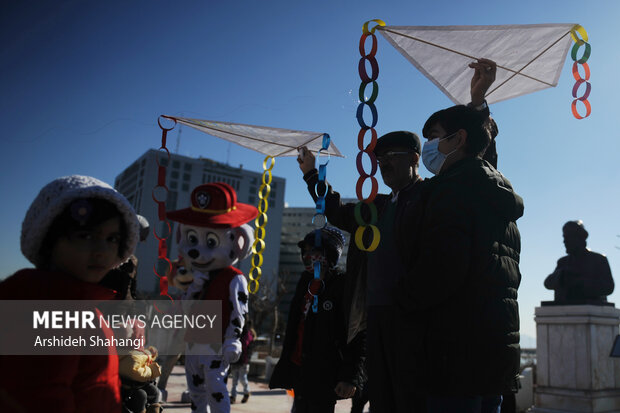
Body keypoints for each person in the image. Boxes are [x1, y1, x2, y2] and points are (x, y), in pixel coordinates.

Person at [298, 59, 497, 413]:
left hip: (416, 317)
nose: (385, 164)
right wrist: (312, 174)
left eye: (393, 156)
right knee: (383, 400)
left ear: (416, 158)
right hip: (374, 319)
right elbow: (335, 209)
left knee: (412, 397)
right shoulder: (373, 208)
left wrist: (479, 105)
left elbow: (479, 163)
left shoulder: (437, 195)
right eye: (379, 159)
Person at [397, 88, 523, 412]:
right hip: (495, 353)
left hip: (454, 352)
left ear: (459, 139)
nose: (429, 147)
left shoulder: (450, 191)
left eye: (435, 137)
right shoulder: (494, 193)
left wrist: (403, 300)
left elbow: (442, 269)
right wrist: (479, 102)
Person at [0, 175, 140, 412]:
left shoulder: (75, 301)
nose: (101, 251)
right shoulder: (51, 306)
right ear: (48, 239)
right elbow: (43, 396)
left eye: (111, 239)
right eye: (85, 236)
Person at [269, 227, 366, 413]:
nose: (306, 256)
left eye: (313, 251)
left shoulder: (342, 285)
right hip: (300, 369)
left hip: (325, 373)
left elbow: (358, 332)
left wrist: (350, 376)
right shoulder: (305, 281)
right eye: (304, 251)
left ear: (329, 254)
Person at [544, 220, 614, 304]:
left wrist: (580, 282)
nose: (565, 241)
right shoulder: (563, 262)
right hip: (564, 308)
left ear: (580, 238)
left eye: (568, 237)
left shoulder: (598, 260)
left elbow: (608, 287)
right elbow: (548, 283)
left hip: (591, 309)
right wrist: (562, 275)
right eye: (564, 237)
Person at [229, 320, 256, 404]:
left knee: (242, 379)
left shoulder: (247, 334)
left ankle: (246, 392)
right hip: (235, 360)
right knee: (234, 381)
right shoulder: (236, 332)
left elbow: (246, 347)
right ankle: (233, 396)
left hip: (243, 361)